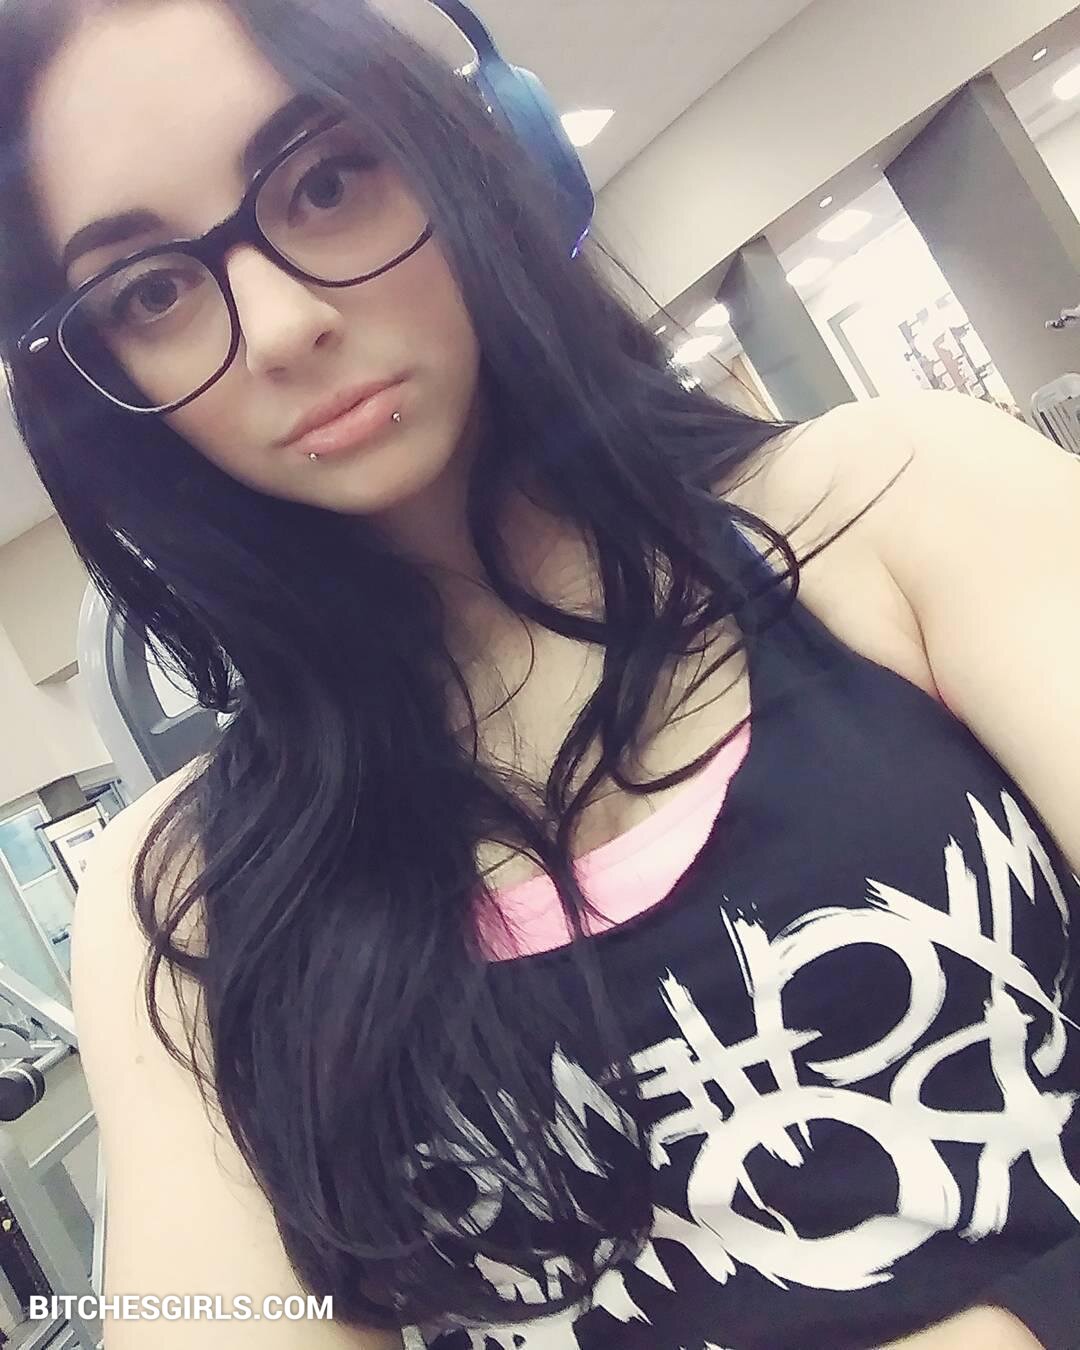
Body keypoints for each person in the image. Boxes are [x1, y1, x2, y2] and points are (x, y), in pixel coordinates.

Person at [1, 2, 1078, 1347]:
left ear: (463, 151)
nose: (277, 326)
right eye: (150, 292)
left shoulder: (907, 509)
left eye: (324, 182)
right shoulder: (186, 900)